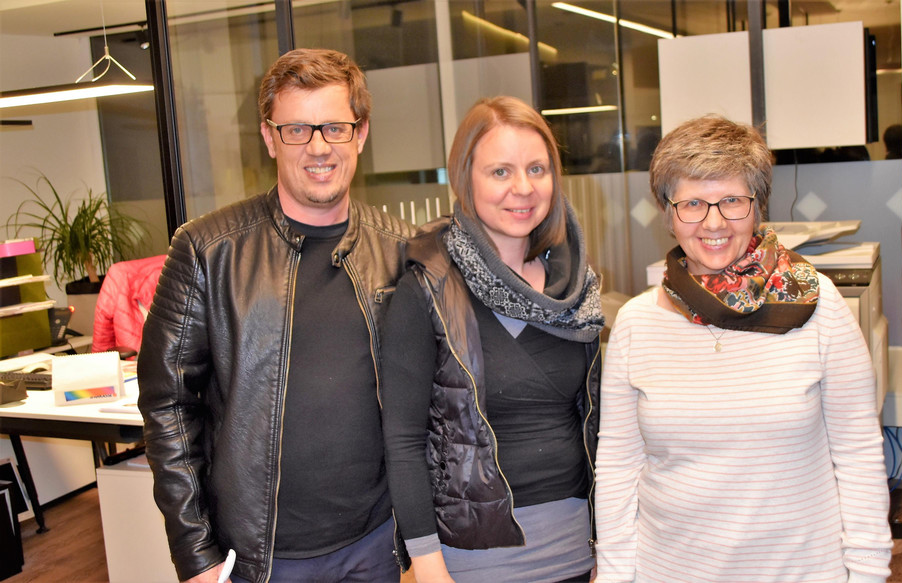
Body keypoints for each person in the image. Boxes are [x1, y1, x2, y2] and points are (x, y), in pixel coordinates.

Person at [138, 48, 415, 583]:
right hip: (258, 559)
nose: (318, 147)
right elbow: (167, 405)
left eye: (335, 127)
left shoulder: (402, 250)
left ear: (360, 134)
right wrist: (194, 552)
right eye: (296, 130)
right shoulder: (208, 251)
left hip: (375, 545)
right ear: (269, 138)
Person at [594, 114, 892, 583]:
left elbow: (857, 453)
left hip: (800, 571)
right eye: (692, 203)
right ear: (668, 214)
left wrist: (869, 571)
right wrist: (615, 574)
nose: (713, 222)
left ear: (757, 207)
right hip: (669, 570)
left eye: (732, 200)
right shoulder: (636, 323)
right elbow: (618, 465)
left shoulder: (820, 306)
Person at [380, 96, 605, 583]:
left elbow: (596, 425)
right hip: (475, 561)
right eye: (500, 171)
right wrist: (427, 564)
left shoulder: (577, 290)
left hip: (580, 552)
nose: (523, 188)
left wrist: (607, 547)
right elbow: (402, 440)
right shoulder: (427, 289)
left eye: (536, 169)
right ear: (466, 179)